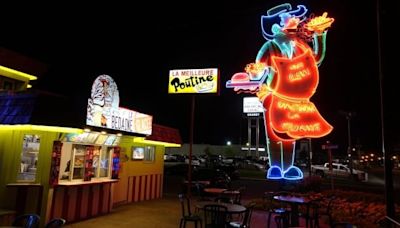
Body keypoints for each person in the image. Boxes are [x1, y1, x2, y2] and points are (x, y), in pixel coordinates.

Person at [227, 3, 334, 179]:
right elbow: (259, 68)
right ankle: (276, 167)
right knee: (274, 133)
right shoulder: (270, 45)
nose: (298, 19)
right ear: (282, 20)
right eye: (293, 17)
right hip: (275, 95)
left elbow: (316, 59)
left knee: (289, 133)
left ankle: (288, 167)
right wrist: (254, 71)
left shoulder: (301, 44)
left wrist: (320, 36)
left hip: (296, 99)